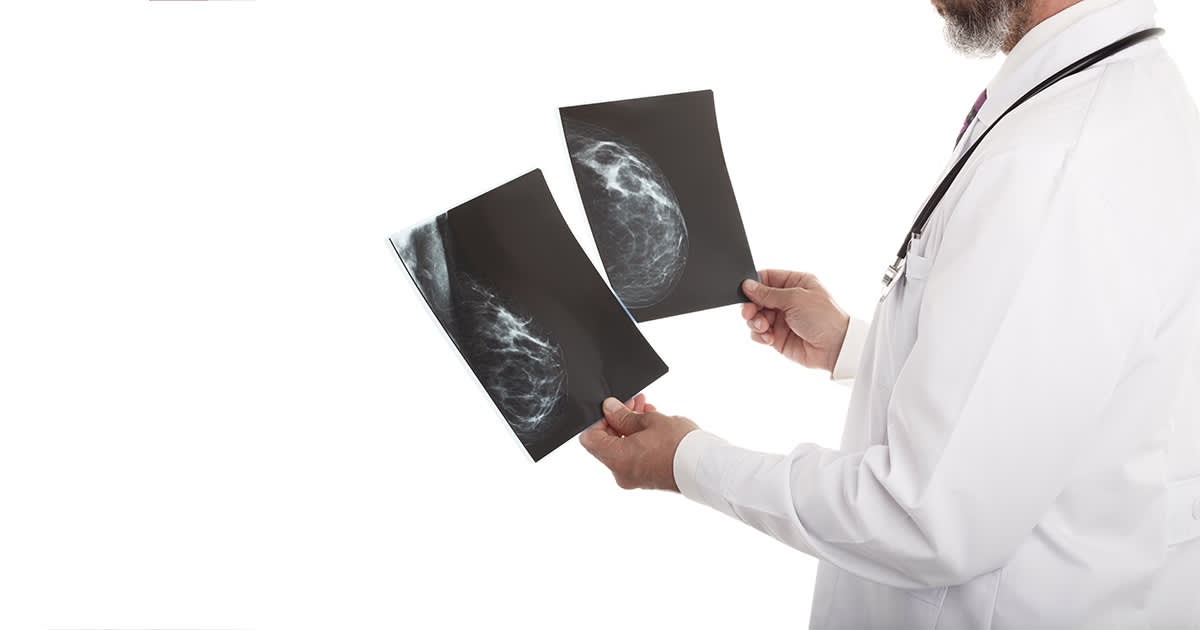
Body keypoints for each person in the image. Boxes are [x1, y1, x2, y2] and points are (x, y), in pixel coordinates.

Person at [579, 0, 1200, 627]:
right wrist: (859, 350)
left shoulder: (1051, 160)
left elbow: (925, 519)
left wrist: (685, 460)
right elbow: (1049, 382)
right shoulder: (1140, 88)